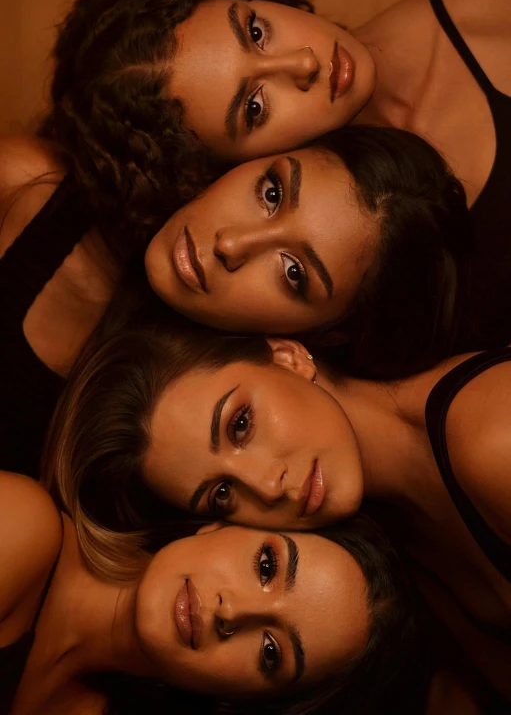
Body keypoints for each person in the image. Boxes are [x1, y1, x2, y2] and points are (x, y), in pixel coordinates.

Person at [32, 0, 511, 349]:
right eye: (255, 108)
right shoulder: (317, 294)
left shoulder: (485, 10)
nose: (303, 62)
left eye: (255, 32)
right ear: (217, 175)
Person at [43, 325, 511, 705]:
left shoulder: (493, 441)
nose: (267, 486)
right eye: (222, 493)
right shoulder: (392, 558)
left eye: (240, 425)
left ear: (287, 356)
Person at [0, 127, 469, 479]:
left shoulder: (206, 458)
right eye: (271, 192)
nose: (232, 244)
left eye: (293, 274)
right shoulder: (28, 184)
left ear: (315, 336)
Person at [0, 470, 420, 715]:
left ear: (246, 699)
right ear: (223, 523)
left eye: (271, 652)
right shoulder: (21, 526)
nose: (232, 612)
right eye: (267, 565)